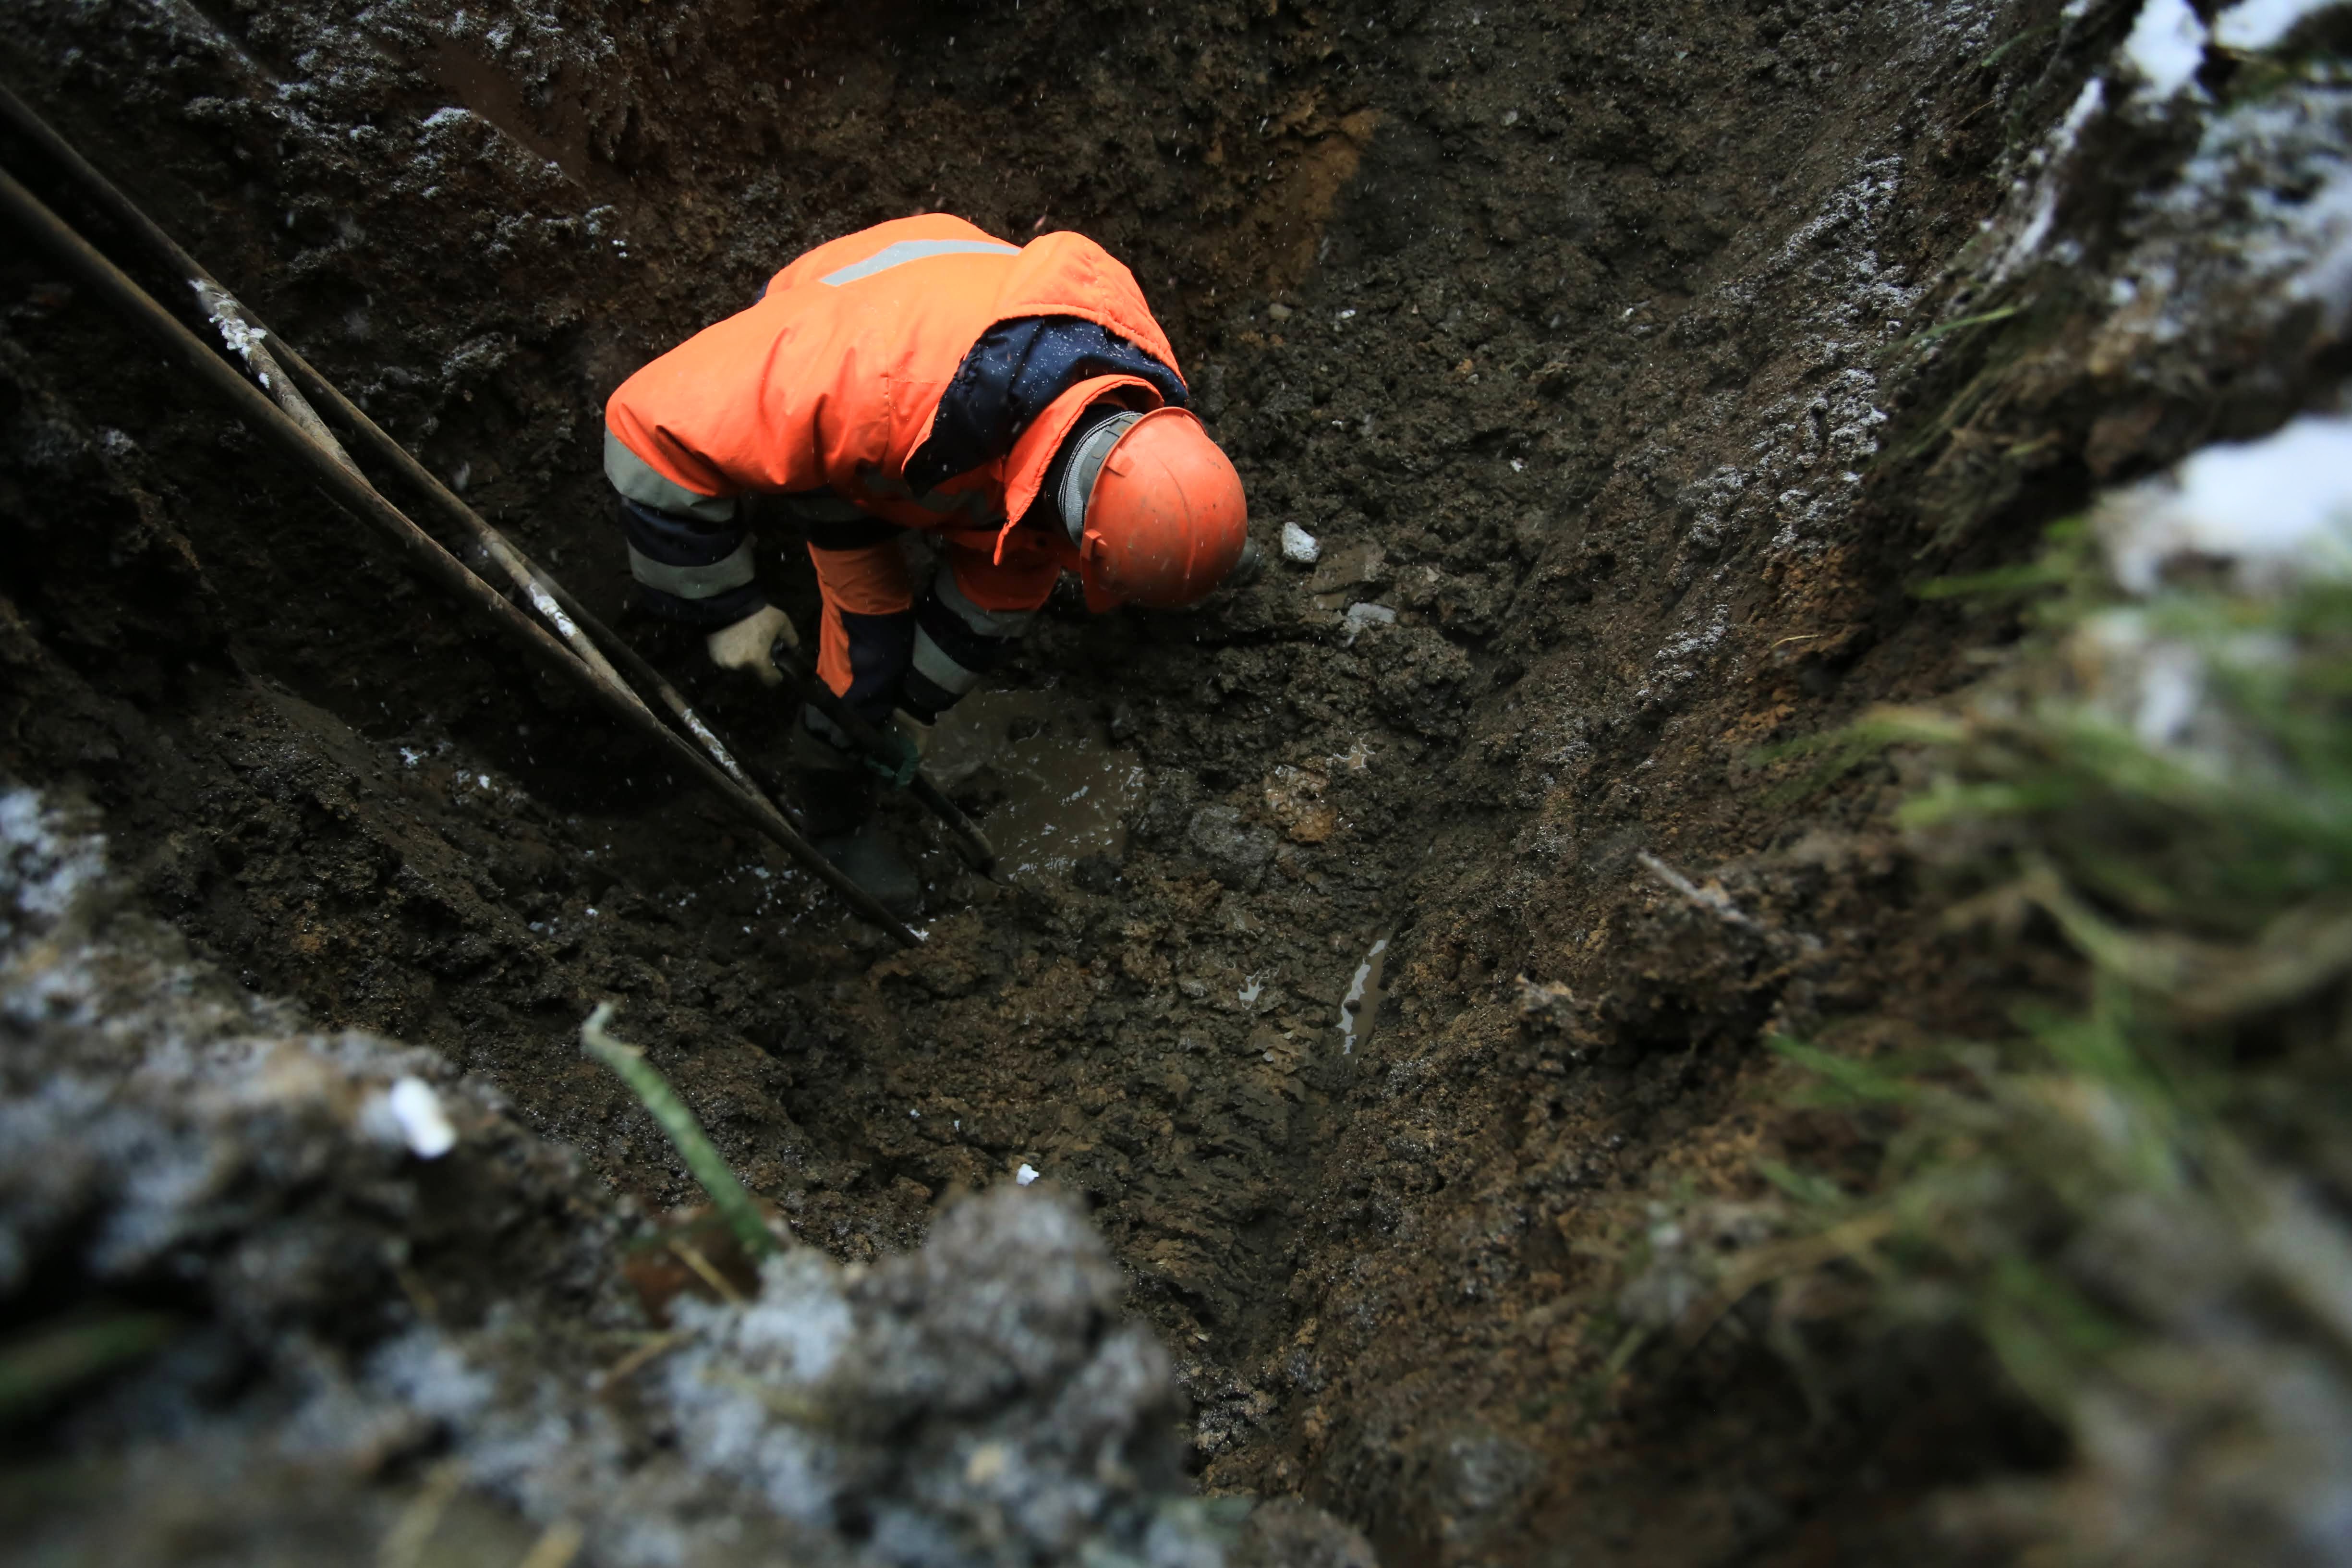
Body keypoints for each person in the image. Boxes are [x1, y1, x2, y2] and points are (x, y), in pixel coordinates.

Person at [602, 214, 1250, 919]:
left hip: (961, 398)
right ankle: (834, 822)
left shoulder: (1130, 402)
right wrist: (726, 608)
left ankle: (874, 727)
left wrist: (916, 709)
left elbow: (1005, 577)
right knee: (869, 649)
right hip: (860, 362)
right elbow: (646, 430)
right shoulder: (856, 386)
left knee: (909, 669)